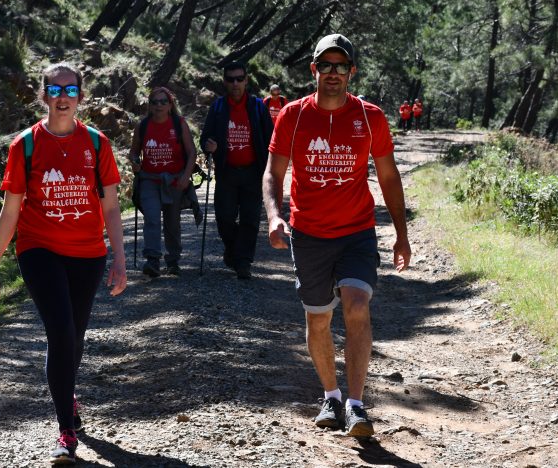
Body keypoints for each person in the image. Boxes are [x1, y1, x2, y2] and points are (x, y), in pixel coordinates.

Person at [263, 34, 411, 437]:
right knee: (319, 318)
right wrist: (276, 216)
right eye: (325, 65)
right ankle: (330, 395)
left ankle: (357, 405)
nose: (333, 73)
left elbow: (388, 176)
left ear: (352, 72)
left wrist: (401, 233)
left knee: (358, 304)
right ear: (313, 70)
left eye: (340, 66)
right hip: (308, 233)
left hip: (356, 231)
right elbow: (273, 174)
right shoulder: (292, 116)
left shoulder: (370, 117)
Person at [0, 63, 127, 465]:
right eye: (55, 88)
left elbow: (111, 207)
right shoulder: (24, 146)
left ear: (81, 96)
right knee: (60, 331)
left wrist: (119, 257)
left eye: (71, 89)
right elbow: (10, 211)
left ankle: (68, 395)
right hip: (38, 247)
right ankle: (66, 430)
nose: (63, 96)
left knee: (74, 337)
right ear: (44, 95)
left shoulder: (97, 144)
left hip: (88, 253)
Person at [200, 61, 273, 279]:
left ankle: (243, 262)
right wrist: (208, 145)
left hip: (253, 172)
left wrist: (272, 169)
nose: (235, 83)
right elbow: (205, 137)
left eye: (239, 78)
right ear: (224, 82)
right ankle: (232, 250)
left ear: (246, 81)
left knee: (250, 219)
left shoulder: (258, 107)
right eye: (230, 79)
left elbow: (272, 138)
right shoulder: (218, 107)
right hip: (227, 172)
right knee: (224, 218)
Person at [129, 87, 196, 277]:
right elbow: (134, 151)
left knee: (172, 222)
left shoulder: (178, 123)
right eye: (154, 102)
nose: (158, 105)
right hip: (149, 179)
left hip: (174, 180)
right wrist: (135, 162)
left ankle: (173, 261)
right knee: (151, 218)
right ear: (149, 105)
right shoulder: (142, 125)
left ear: (170, 105)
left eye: (163, 102)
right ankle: (153, 260)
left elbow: (191, 152)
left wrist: (185, 177)